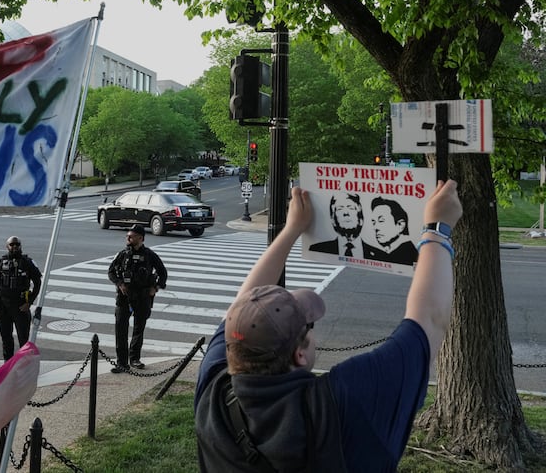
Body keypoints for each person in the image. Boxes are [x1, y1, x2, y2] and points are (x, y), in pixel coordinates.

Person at [195, 181, 462, 472]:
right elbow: (429, 320)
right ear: (298, 354)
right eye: (308, 326)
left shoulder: (214, 393)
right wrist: (437, 229)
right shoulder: (343, 401)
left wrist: (292, 229)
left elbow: (240, 306)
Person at [107, 224, 168, 372]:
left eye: (131, 236)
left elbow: (163, 272)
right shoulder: (122, 255)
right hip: (124, 297)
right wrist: (120, 283)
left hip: (143, 297)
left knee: (138, 330)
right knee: (120, 330)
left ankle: (134, 359)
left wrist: (156, 288)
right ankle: (122, 363)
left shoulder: (149, 255)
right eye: (127, 235)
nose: (128, 238)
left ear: (140, 238)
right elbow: (111, 272)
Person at [0, 236, 42, 360]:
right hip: (2, 307)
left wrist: (29, 302)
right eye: (12, 245)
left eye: (17, 244)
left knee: (23, 339)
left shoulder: (27, 263)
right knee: (6, 339)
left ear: (20, 246)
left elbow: (38, 283)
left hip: (20, 307)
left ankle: (24, 365)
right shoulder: (0, 262)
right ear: (7, 246)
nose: (14, 247)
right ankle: (8, 365)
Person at [308, 191, 383, 259]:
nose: (346, 213)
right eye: (340, 209)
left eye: (351, 208)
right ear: (333, 220)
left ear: (361, 219)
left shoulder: (380, 255)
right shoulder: (317, 250)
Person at [371, 196, 418, 265]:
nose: (375, 227)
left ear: (400, 225)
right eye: (373, 222)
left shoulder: (408, 254)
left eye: (381, 221)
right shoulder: (384, 253)